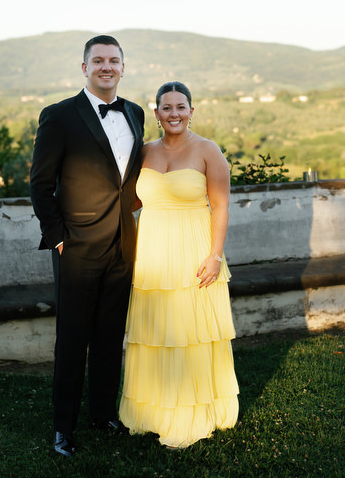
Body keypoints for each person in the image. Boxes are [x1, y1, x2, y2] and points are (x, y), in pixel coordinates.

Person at [30, 35, 144, 458]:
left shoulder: (134, 113)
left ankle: (103, 414)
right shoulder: (58, 116)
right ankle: (63, 428)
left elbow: (127, 183)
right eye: (98, 60)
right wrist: (58, 238)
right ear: (84, 68)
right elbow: (41, 186)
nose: (106, 67)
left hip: (122, 245)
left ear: (123, 66)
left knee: (110, 336)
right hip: (75, 247)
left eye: (114, 60)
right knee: (73, 340)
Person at [119, 81, 239, 448]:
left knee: (192, 330)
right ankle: (153, 410)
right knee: (155, 329)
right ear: (156, 114)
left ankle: (194, 409)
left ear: (191, 111)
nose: (174, 114)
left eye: (180, 107)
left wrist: (215, 255)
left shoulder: (208, 150)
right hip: (152, 252)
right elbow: (133, 201)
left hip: (194, 250)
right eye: (166, 108)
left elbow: (220, 206)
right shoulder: (142, 152)